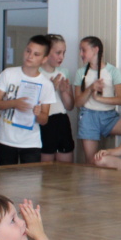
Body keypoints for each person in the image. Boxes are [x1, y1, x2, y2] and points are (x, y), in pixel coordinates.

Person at [0, 36, 56, 165]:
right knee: (5, 176)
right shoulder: (9, 74)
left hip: (30, 142)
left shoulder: (46, 84)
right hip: (6, 138)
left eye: (36, 54)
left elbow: (44, 120)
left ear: (44, 59)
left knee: (30, 177)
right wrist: (13, 103)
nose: (30, 56)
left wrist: (38, 113)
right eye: (28, 51)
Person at [74, 35, 121, 162]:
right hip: (88, 117)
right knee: (91, 161)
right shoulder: (80, 73)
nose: (81, 54)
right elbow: (77, 103)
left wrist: (99, 99)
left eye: (83, 50)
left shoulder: (113, 71)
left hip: (110, 117)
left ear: (95, 50)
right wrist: (91, 88)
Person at [39, 34, 76, 164]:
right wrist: (51, 88)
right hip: (44, 121)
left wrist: (64, 92)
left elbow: (70, 106)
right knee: (46, 167)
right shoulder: (36, 72)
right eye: (58, 53)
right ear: (47, 52)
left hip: (61, 120)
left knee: (66, 167)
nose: (61, 57)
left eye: (63, 53)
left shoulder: (63, 72)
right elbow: (32, 102)